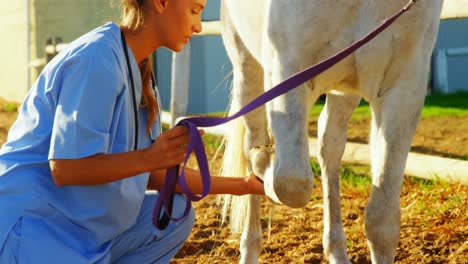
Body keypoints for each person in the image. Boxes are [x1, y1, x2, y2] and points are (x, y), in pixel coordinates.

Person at [0, 0, 264, 263]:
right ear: (161, 3)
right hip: (32, 228)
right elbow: (66, 168)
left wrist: (245, 186)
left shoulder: (139, 71)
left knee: (175, 214)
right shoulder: (96, 60)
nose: (197, 26)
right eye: (194, 11)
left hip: (76, 228)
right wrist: (151, 157)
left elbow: (155, 174)